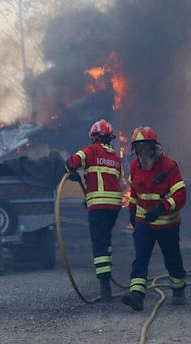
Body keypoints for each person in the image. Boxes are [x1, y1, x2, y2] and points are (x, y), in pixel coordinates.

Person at [121, 126, 187, 311]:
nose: (141, 152)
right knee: (141, 257)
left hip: (167, 223)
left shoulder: (169, 166)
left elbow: (181, 194)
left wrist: (162, 207)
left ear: (154, 147)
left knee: (172, 258)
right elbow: (134, 191)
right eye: (138, 148)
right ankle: (137, 296)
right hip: (144, 222)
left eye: (145, 147)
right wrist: (132, 210)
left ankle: (179, 288)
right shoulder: (134, 166)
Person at [65, 119, 122, 301]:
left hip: (98, 205)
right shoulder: (115, 157)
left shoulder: (90, 151)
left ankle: (105, 287)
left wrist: (70, 170)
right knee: (105, 239)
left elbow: (73, 161)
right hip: (114, 205)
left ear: (94, 137)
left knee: (99, 243)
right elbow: (114, 179)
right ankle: (108, 275)